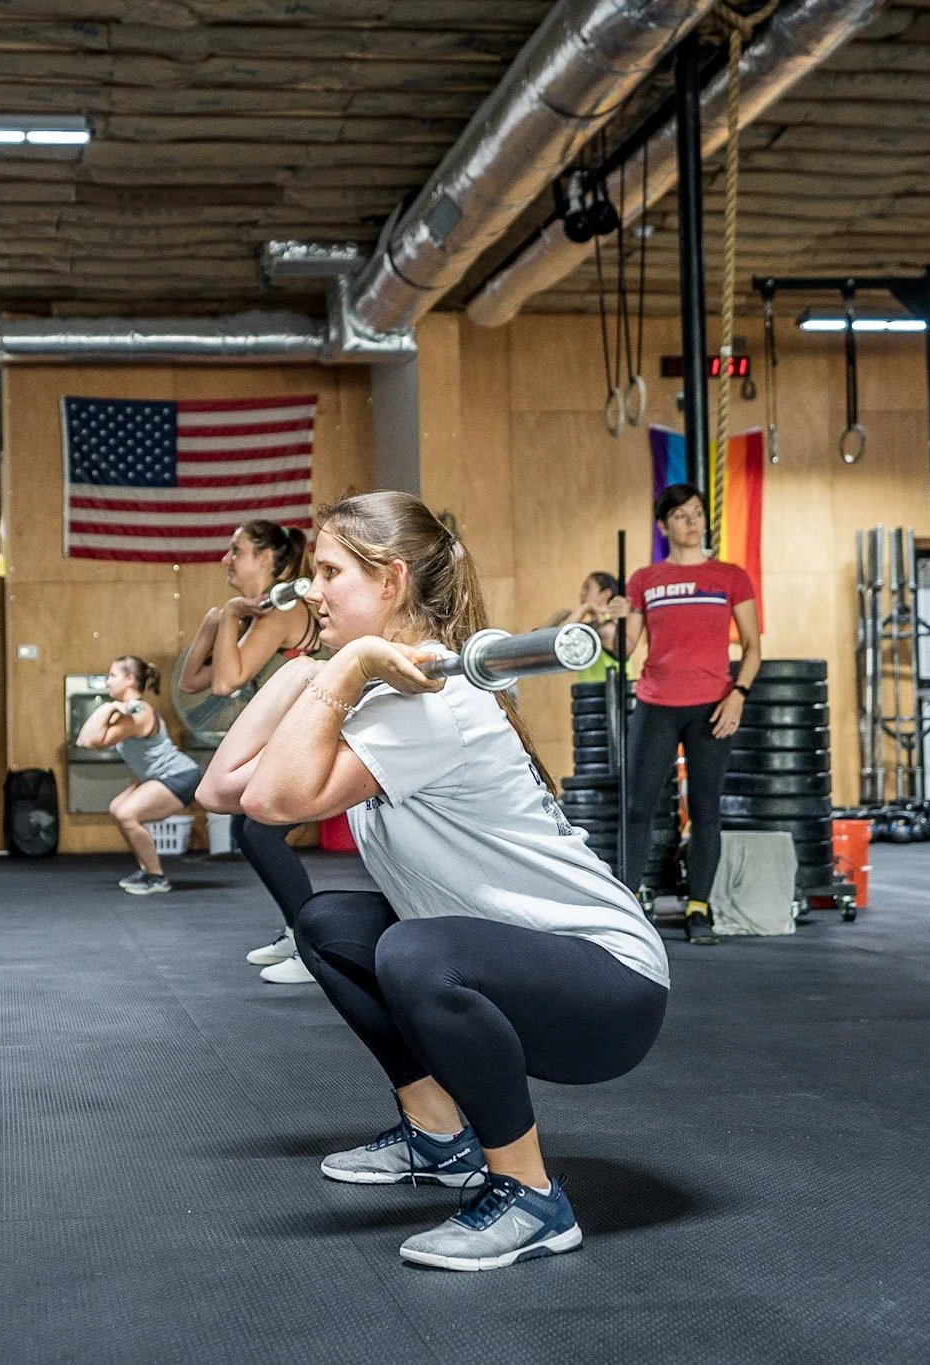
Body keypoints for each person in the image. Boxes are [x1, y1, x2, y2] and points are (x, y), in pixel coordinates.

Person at [197, 491, 668, 1272]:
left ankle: (531, 1195)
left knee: (414, 951)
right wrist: (312, 669)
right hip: (525, 965)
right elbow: (226, 789)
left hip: (610, 984)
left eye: (328, 571)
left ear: (391, 582)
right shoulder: (382, 690)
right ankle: (438, 1136)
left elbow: (271, 802)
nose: (311, 590)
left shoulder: (433, 705)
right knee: (329, 927)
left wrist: (340, 670)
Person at [618, 483, 762, 946]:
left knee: (705, 810)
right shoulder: (645, 579)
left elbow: (755, 647)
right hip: (657, 702)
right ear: (664, 526)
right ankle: (627, 903)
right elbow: (622, 650)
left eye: (697, 513)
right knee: (638, 808)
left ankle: (698, 908)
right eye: (680, 515)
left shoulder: (730, 576)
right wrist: (616, 617)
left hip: (712, 706)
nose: (691, 521)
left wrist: (738, 693)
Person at [178, 521, 321, 983]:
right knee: (251, 830)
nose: (227, 559)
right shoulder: (260, 612)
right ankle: (297, 931)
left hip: (315, 740)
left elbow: (224, 681)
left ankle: (312, 947)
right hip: (291, 741)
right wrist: (215, 621)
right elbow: (192, 683)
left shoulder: (281, 611)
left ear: (265, 557)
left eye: (236, 550)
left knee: (258, 834)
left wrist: (233, 615)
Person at [74, 656, 201, 896]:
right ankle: (147, 870)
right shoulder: (127, 710)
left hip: (179, 775)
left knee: (127, 813)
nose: (107, 681)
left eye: (113, 676)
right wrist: (112, 707)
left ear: (130, 679)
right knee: (117, 808)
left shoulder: (138, 712)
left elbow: (90, 741)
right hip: (159, 777)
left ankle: (157, 877)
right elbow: (84, 740)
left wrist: (107, 707)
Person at [544, 571, 625, 683]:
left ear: (606, 594)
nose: (581, 593)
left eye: (587, 588)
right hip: (587, 694)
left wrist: (585, 607)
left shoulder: (609, 628)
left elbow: (561, 640)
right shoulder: (590, 627)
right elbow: (540, 642)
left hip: (611, 695)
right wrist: (557, 617)